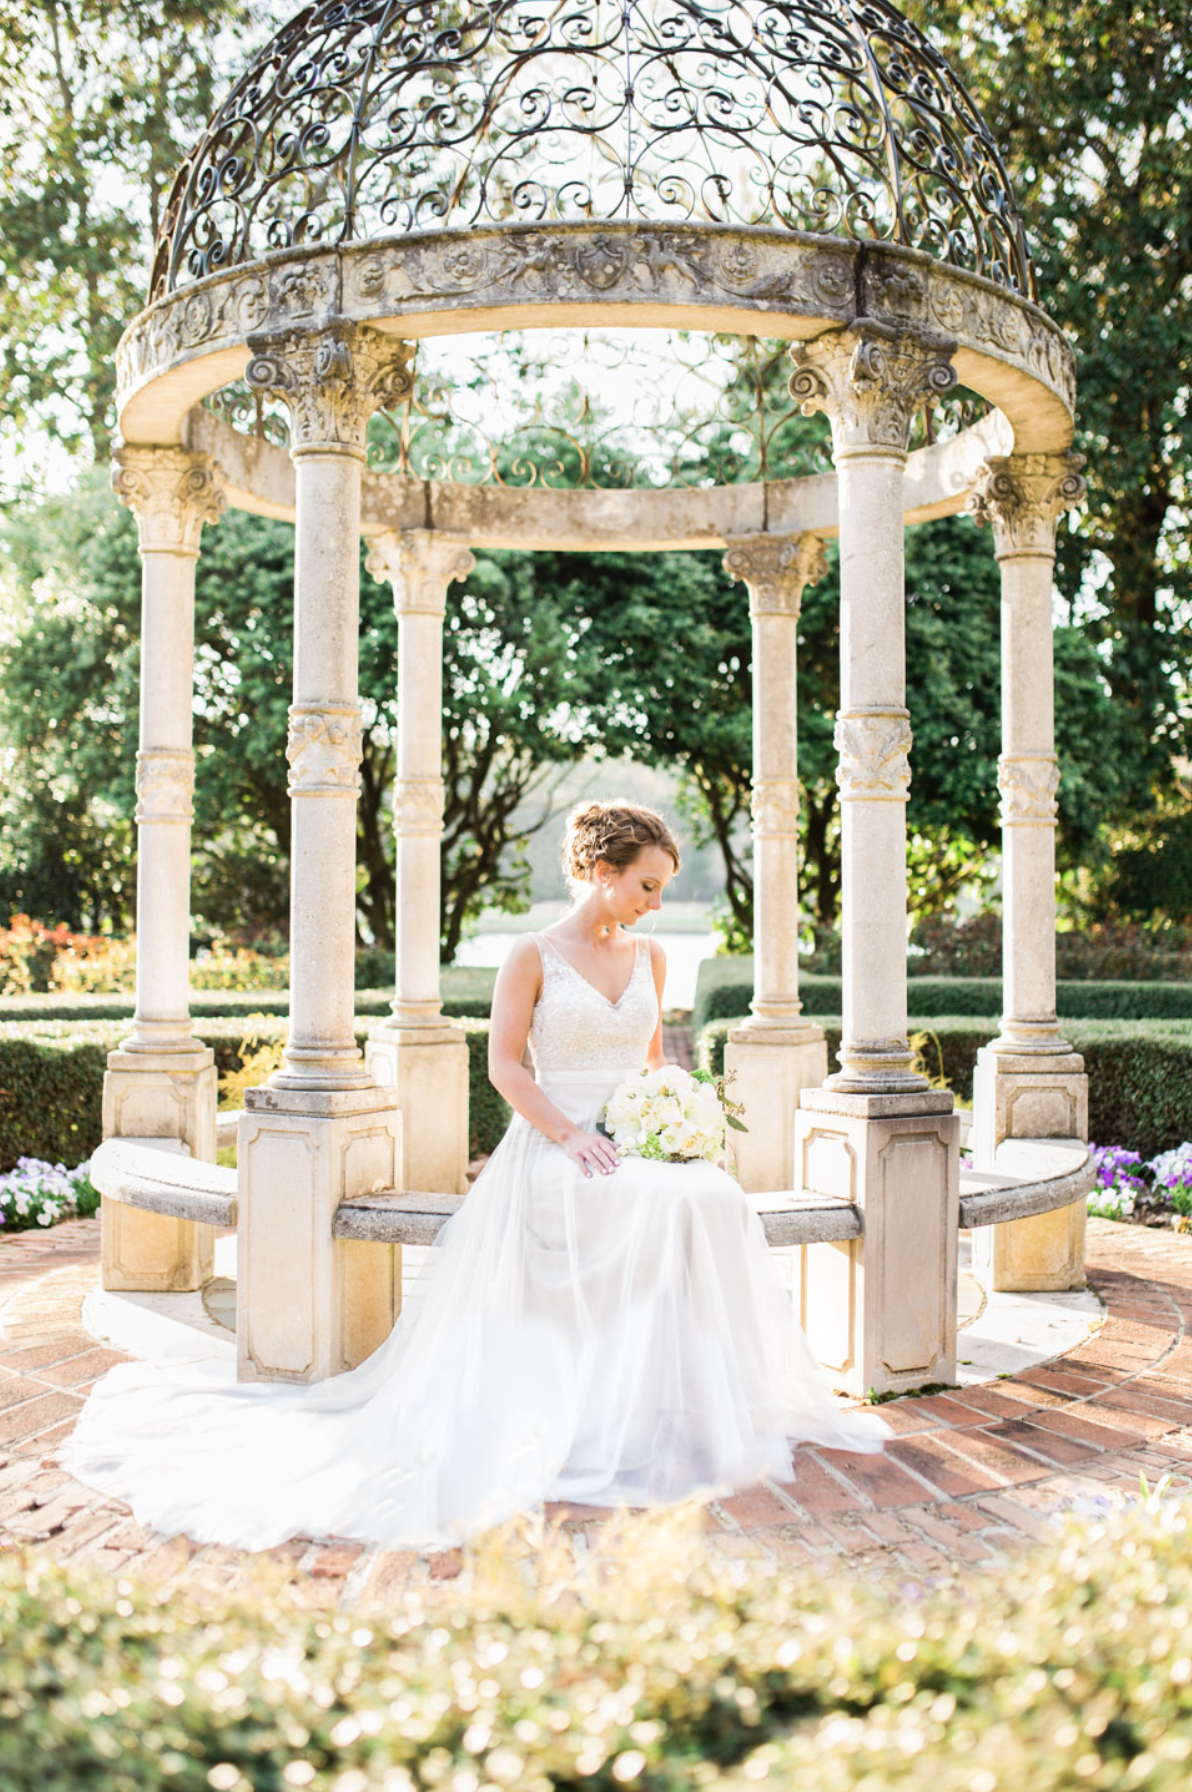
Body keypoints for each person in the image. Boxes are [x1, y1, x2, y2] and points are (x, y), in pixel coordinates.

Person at [61, 800, 890, 1550]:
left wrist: (672, 1125)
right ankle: (591, 1421)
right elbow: (502, 1068)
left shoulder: (650, 959)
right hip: (551, 1145)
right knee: (646, 1201)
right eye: (646, 885)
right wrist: (571, 1136)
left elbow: (647, 1067)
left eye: (664, 889)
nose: (655, 904)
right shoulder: (531, 956)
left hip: (630, 1141)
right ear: (602, 874)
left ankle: (668, 1408)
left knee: (707, 1195)